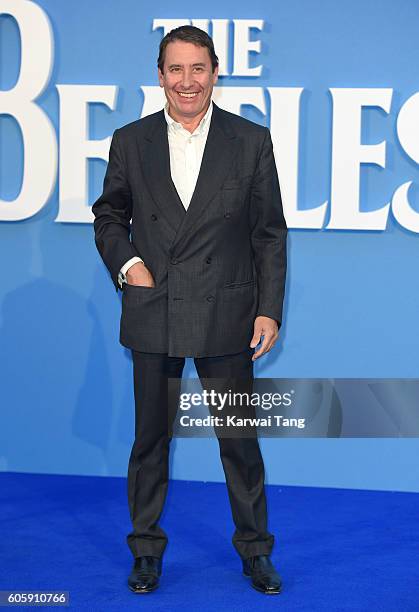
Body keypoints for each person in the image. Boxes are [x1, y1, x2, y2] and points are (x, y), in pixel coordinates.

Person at [92, 25, 287, 595]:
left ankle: (255, 551)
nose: (186, 81)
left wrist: (268, 308)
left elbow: (268, 234)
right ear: (160, 75)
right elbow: (109, 217)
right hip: (155, 306)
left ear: (215, 73)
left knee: (238, 442)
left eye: (197, 69)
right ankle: (146, 551)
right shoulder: (131, 142)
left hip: (227, 311)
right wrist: (131, 266)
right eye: (175, 69)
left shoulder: (250, 141)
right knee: (150, 439)